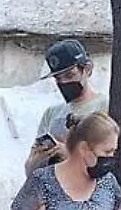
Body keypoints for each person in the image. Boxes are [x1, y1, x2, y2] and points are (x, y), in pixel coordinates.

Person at [24, 39, 109, 175]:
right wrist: (39, 158)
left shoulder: (105, 106)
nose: (64, 82)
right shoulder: (51, 113)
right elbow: (29, 170)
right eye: (58, 78)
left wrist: (69, 154)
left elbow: (109, 162)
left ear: (87, 69)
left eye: (70, 75)